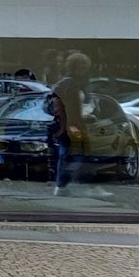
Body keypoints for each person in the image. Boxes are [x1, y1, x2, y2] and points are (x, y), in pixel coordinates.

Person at [48, 51, 91, 196]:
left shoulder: (69, 82)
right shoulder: (70, 83)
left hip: (67, 123)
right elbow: (70, 107)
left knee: (68, 154)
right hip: (68, 124)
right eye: (83, 66)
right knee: (70, 154)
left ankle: (62, 185)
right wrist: (76, 124)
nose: (85, 69)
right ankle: (61, 185)